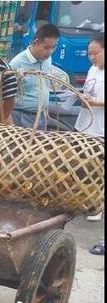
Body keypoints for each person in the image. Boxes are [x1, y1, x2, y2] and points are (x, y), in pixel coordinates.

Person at [75, 32, 104, 222]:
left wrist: (98, 103)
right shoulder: (93, 70)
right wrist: (82, 97)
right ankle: (82, 201)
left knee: (98, 169)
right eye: (89, 54)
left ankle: (97, 207)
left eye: (96, 53)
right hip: (84, 124)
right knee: (83, 166)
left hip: (100, 128)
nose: (92, 57)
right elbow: (89, 91)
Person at [10, 24, 61, 130]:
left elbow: (44, 85)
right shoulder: (17, 63)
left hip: (41, 117)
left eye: (54, 47)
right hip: (21, 117)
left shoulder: (47, 59)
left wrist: (44, 109)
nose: (50, 51)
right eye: (46, 47)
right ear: (36, 43)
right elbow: (6, 94)